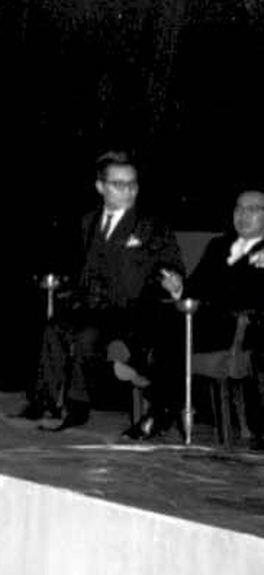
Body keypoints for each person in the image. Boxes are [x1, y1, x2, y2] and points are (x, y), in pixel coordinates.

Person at [27, 152, 183, 433]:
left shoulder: (150, 225)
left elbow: (170, 263)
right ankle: (45, 401)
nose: (128, 190)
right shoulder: (88, 221)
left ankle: (78, 407)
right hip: (92, 304)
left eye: (132, 184)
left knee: (88, 335)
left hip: (129, 309)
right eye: (118, 184)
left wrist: (173, 281)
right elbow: (83, 265)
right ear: (100, 187)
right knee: (54, 327)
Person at [154, 189, 264, 443]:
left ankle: (161, 407)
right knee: (164, 319)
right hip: (206, 326)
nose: (242, 215)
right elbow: (194, 289)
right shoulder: (218, 246)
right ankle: (163, 404)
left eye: (252, 209)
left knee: (171, 336)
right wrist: (178, 287)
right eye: (238, 208)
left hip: (245, 330)